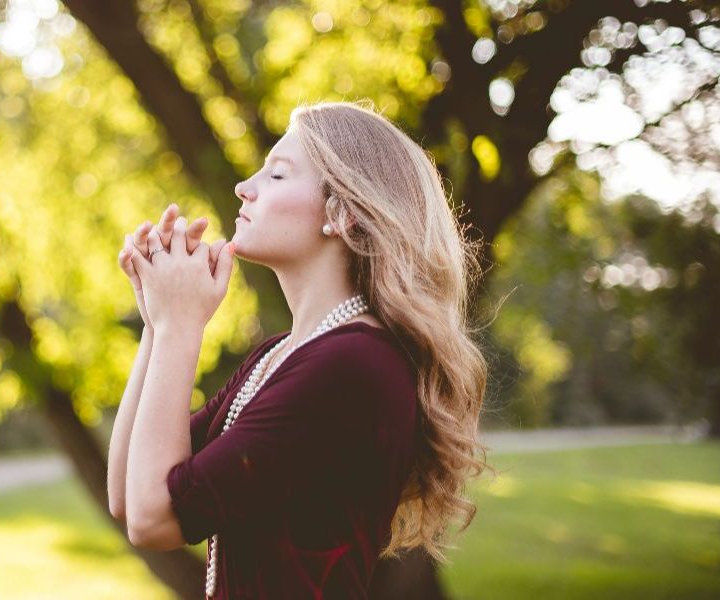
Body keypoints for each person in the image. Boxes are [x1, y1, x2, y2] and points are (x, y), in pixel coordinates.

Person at [106, 99, 493, 598]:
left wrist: (181, 325)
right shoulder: (281, 355)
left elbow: (154, 519)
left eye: (278, 175)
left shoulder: (351, 366)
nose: (244, 187)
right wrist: (158, 322)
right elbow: (127, 494)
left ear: (343, 213)